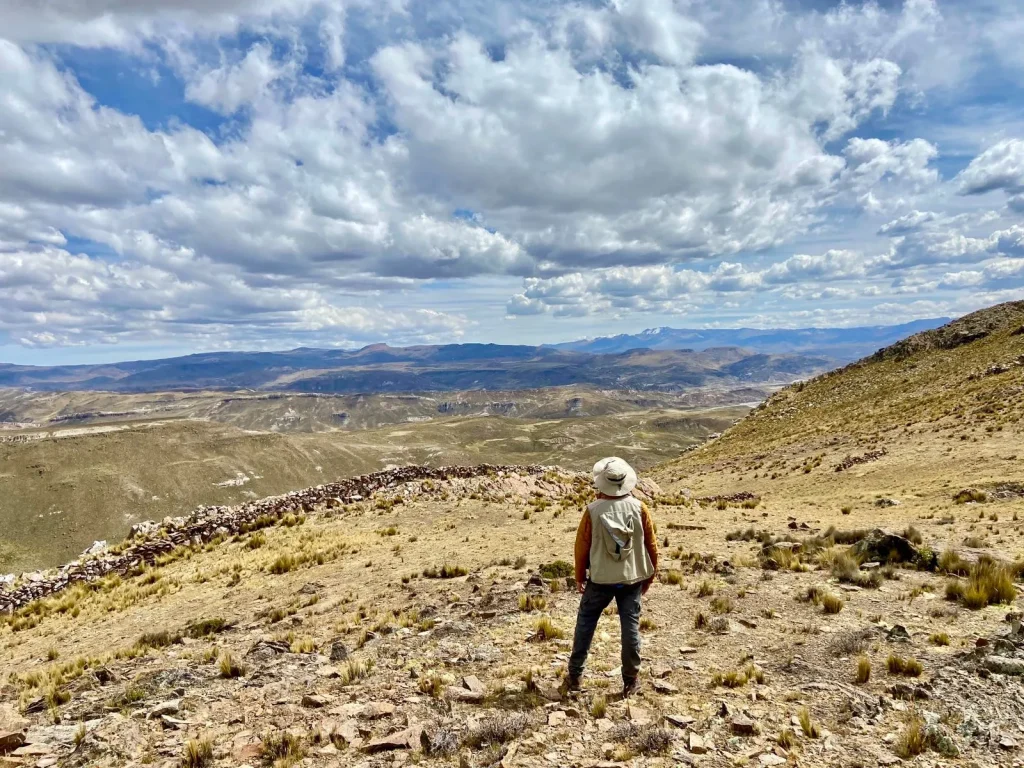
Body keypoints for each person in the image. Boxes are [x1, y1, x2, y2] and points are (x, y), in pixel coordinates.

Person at [564, 456, 658, 698]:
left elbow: (581, 547)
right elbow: (652, 546)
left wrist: (579, 576)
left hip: (600, 579)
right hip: (631, 579)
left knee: (585, 622)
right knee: (630, 628)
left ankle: (575, 676)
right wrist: (649, 576)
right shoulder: (640, 508)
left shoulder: (592, 511)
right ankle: (631, 680)